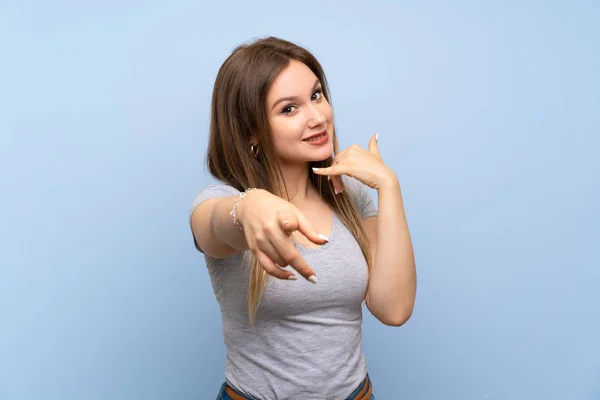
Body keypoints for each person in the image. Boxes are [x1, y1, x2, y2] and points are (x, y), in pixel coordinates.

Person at [189, 36, 417, 400]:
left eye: (315, 95)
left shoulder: (350, 198)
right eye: (288, 109)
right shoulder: (222, 202)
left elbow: (394, 309)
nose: (317, 116)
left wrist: (389, 187)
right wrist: (248, 209)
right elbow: (213, 225)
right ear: (251, 135)